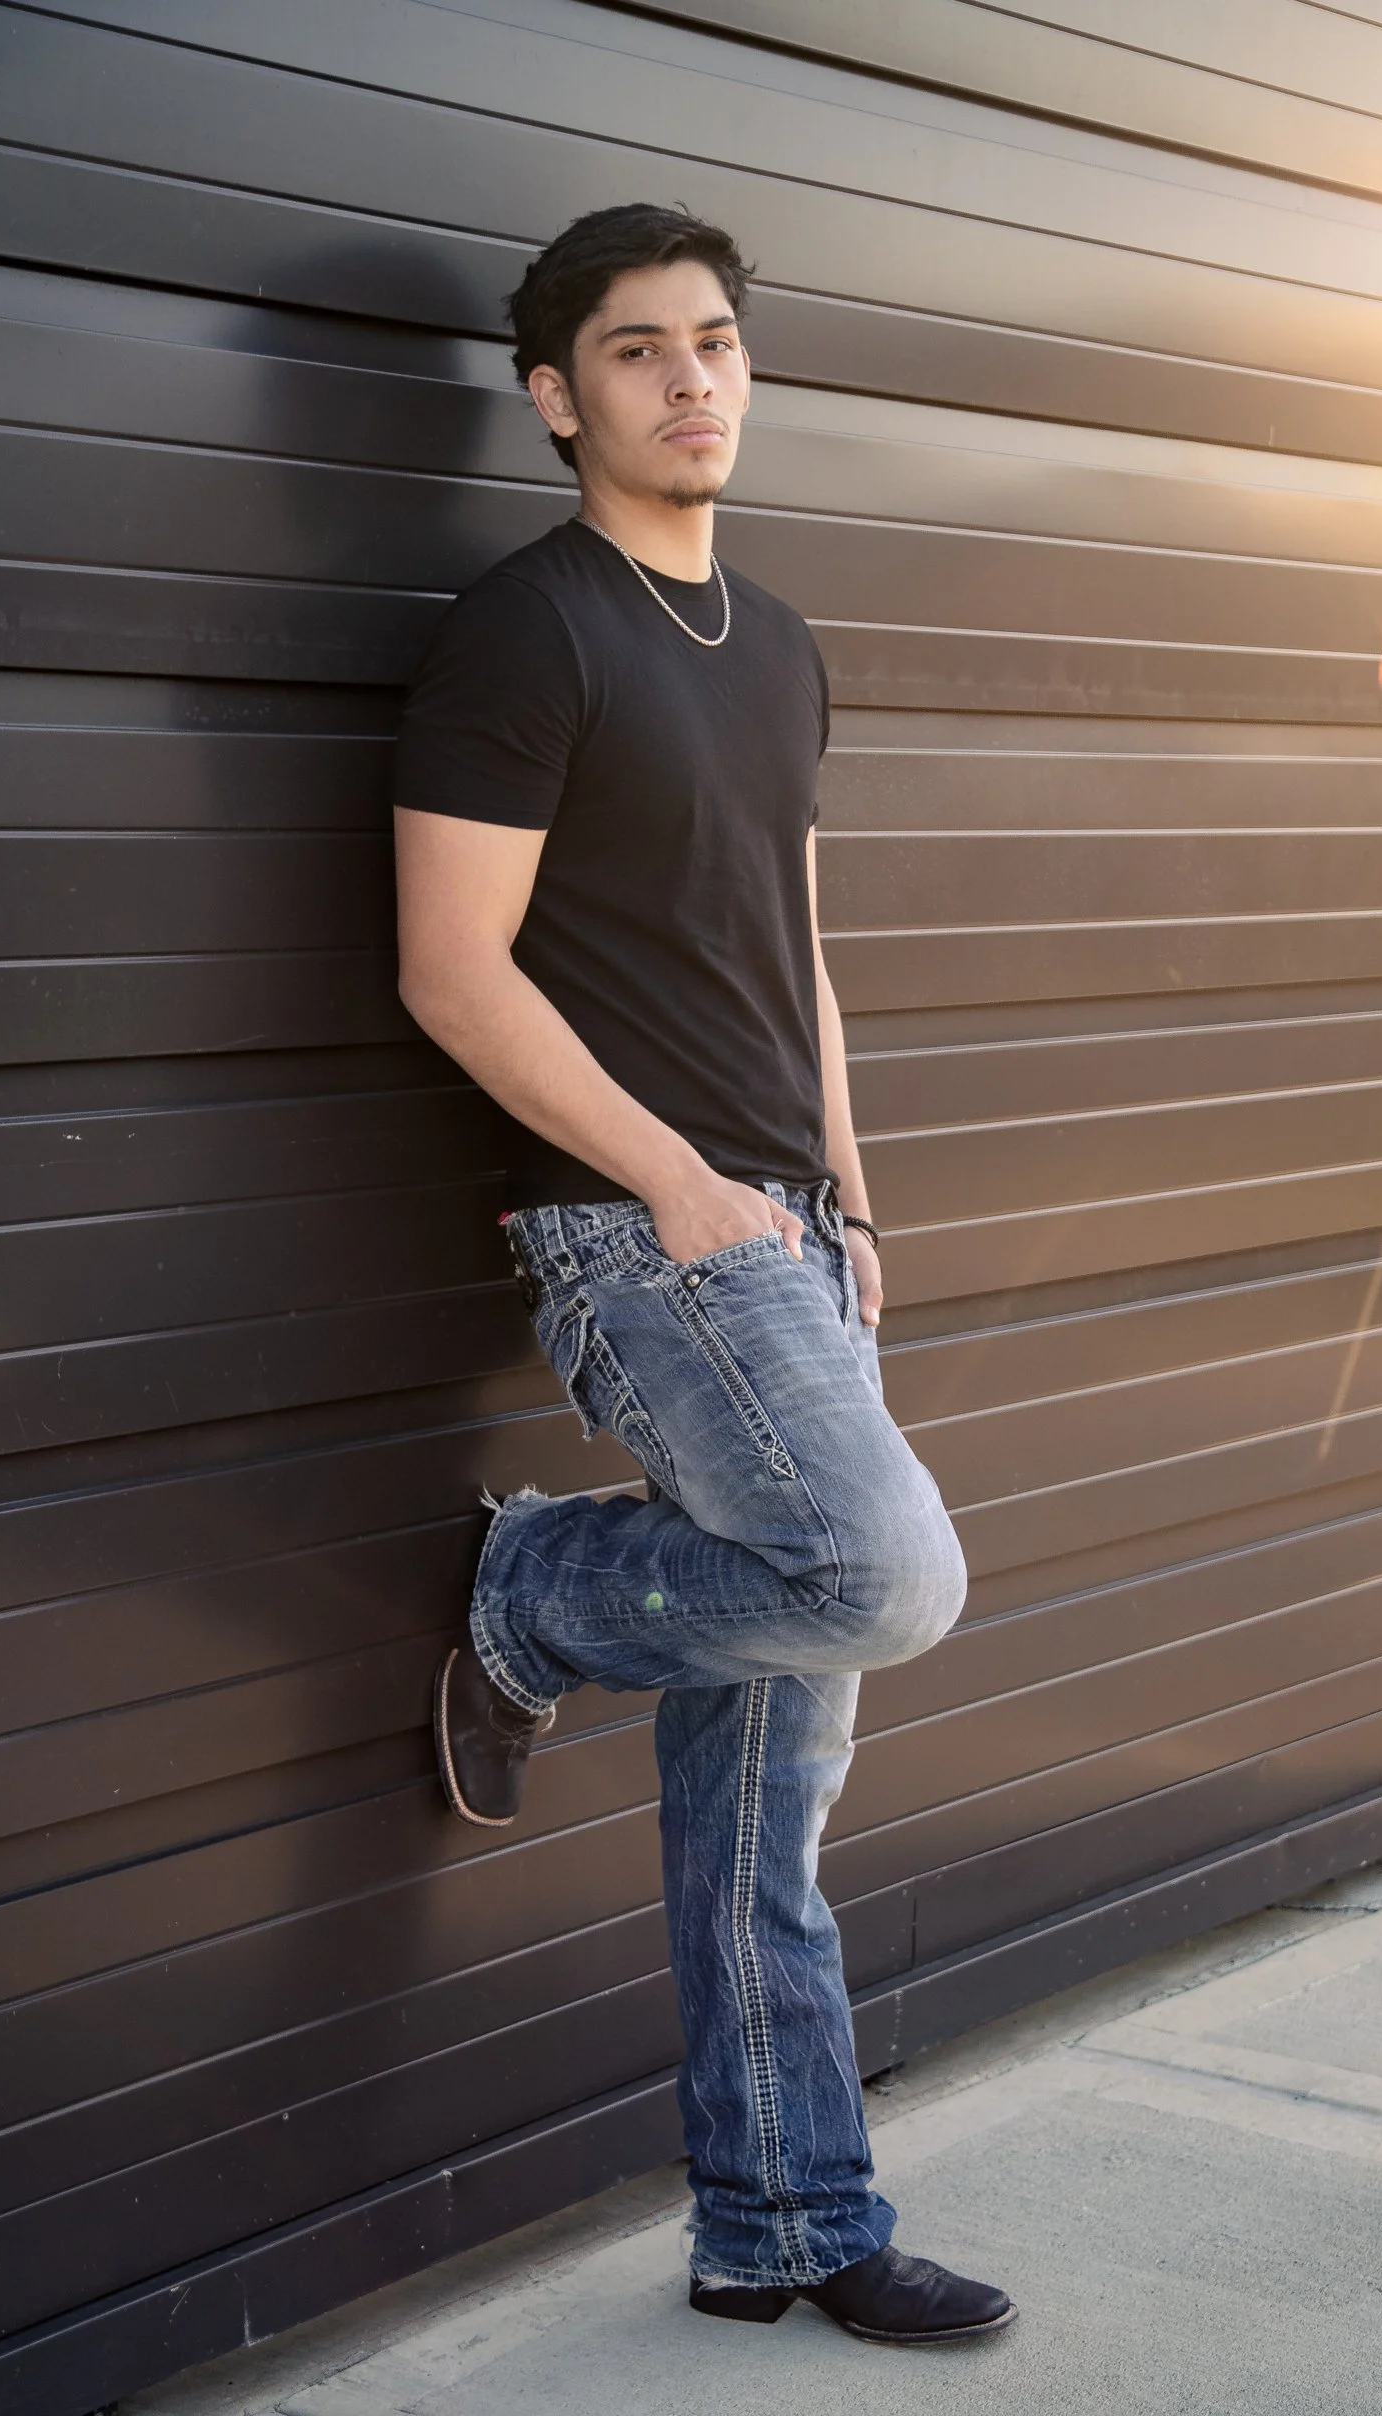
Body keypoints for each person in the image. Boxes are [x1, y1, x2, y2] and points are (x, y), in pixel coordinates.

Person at [392, 201, 1016, 2348]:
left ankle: (780, 2218)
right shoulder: (527, 631)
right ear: (558, 393)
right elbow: (450, 971)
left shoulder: (777, 636)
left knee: (767, 1782)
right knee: (886, 1573)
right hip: (636, 1228)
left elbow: (794, 946)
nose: (692, 381)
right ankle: (540, 1587)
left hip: (777, 1229)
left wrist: (846, 1192)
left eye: (719, 344)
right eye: (640, 351)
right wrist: (678, 1183)